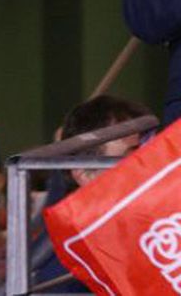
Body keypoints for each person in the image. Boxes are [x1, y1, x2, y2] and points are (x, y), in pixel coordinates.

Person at [34, 96, 154, 293]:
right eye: (130, 156)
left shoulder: (153, 230)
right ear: (84, 174)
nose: (147, 169)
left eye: (149, 154)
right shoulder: (69, 261)